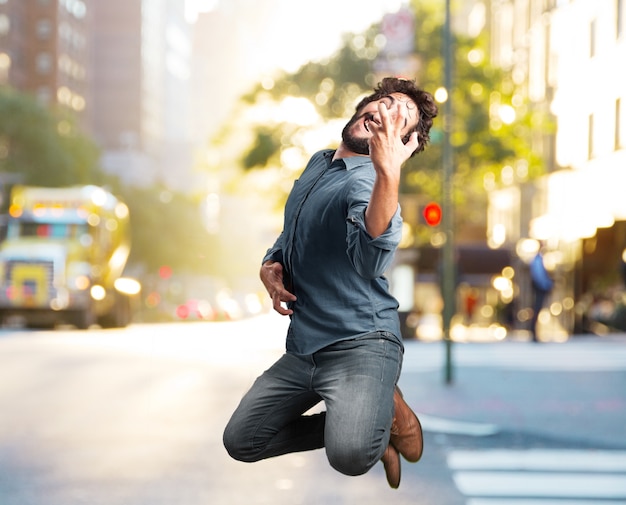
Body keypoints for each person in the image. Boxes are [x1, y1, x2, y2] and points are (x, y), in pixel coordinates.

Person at [223, 77, 438, 489]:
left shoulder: (369, 182)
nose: (386, 114)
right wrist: (271, 262)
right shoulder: (320, 164)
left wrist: (387, 173)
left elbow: (371, 255)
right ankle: (375, 416)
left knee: (351, 455)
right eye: (386, 103)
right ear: (364, 106)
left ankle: (383, 414)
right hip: (307, 346)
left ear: (401, 143)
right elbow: (295, 233)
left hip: (362, 343)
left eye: (400, 118)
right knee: (243, 439)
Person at [529, 247, 554, 342]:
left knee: (537, 310)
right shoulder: (538, 260)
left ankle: (534, 332)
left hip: (540, 287)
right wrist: (547, 285)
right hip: (540, 288)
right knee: (536, 310)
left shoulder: (538, 260)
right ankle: (533, 332)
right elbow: (539, 275)